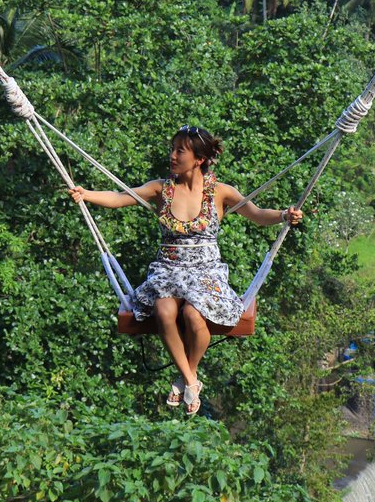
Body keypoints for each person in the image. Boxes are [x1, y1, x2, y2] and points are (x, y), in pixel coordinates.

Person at [69, 125, 302, 415]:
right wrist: (86, 194)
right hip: (168, 269)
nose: (173, 155)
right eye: (173, 149)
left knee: (194, 315)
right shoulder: (161, 189)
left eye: (180, 150)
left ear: (199, 159)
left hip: (206, 271)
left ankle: (185, 375)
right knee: (164, 311)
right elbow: (119, 198)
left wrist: (283, 215)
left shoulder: (221, 192)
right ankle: (192, 379)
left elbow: (256, 214)